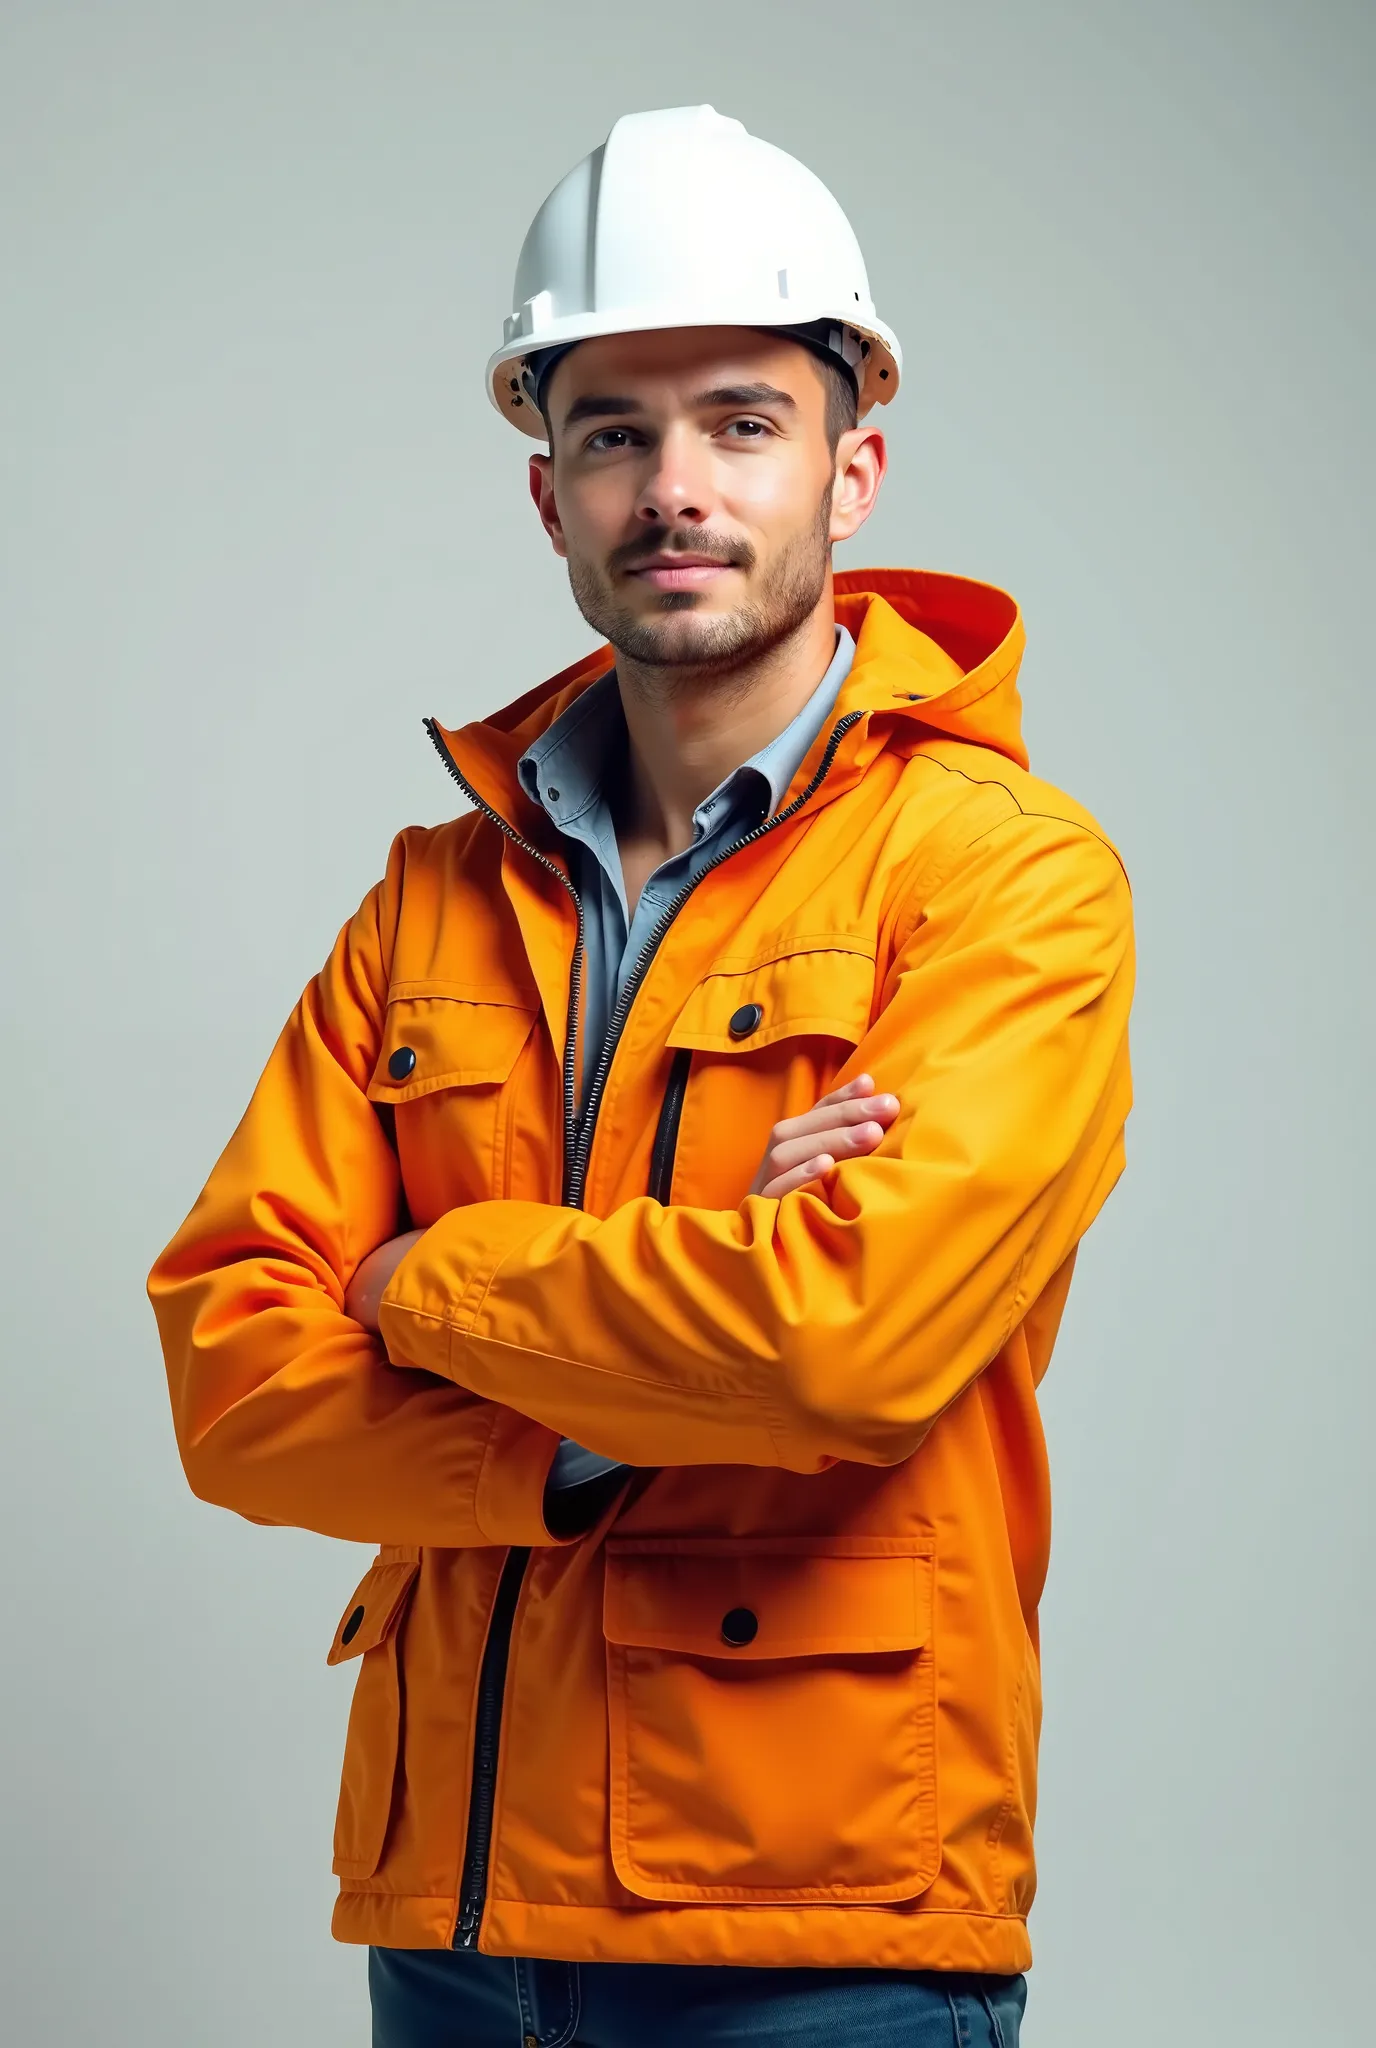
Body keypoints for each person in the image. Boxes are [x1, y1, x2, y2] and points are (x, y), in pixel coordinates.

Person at [150, 104, 1134, 2048]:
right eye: (612, 431)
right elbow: (233, 1380)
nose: (671, 486)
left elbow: (840, 1347)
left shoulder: (1003, 881)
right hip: (448, 1917)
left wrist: (419, 1283)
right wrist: (617, 1402)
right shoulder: (429, 899)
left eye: (738, 424)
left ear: (851, 469)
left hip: (817, 1937)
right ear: (547, 492)